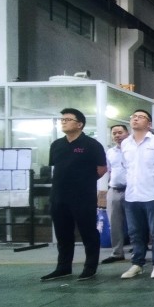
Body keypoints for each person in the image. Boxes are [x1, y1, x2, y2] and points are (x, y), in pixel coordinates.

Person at [41, 108, 107, 281]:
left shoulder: (92, 145)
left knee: (88, 232)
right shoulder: (56, 145)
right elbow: (56, 168)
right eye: (62, 119)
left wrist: (84, 182)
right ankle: (63, 267)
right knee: (63, 234)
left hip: (83, 197)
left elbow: (102, 169)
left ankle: (90, 267)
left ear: (79, 124)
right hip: (59, 196)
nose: (63, 122)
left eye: (68, 119)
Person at [119, 109, 154, 279]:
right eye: (133, 117)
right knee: (135, 232)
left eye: (140, 117)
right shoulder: (125, 143)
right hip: (131, 195)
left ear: (149, 124)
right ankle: (137, 264)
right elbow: (125, 166)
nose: (136, 119)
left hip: (153, 195)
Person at [100, 123, 129, 264]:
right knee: (114, 223)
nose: (117, 135)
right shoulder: (110, 152)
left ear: (127, 133)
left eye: (120, 132)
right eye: (114, 133)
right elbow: (109, 170)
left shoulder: (133, 150)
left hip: (132, 190)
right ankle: (117, 253)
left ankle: (139, 251)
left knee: (135, 222)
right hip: (114, 190)